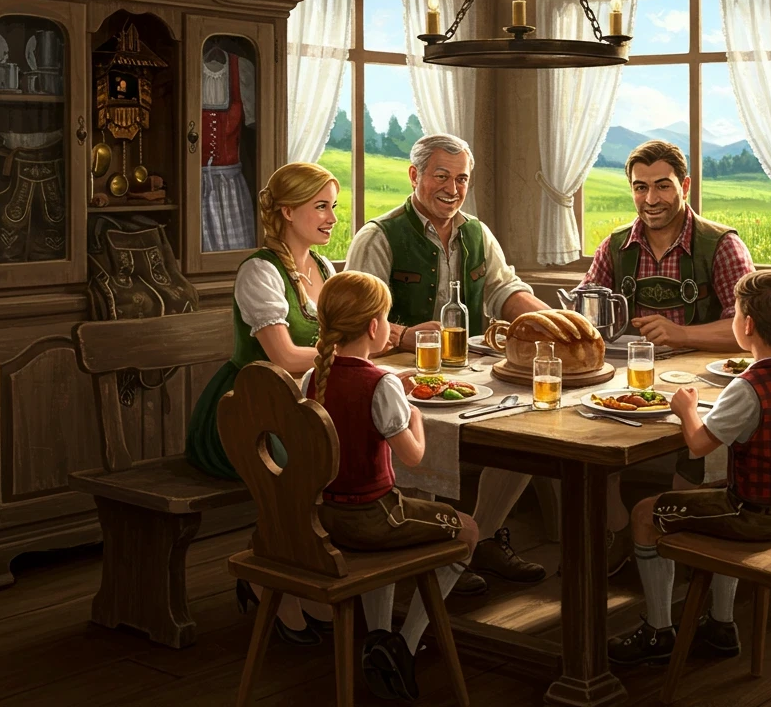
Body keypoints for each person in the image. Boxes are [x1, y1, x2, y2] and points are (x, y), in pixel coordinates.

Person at [345, 133, 550, 595]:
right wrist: (402, 334)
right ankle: (428, 559)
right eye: (441, 176)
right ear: (415, 175)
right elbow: (355, 320)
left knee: (530, 436)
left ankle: (474, 541)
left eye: (461, 179)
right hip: (397, 381)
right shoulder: (378, 236)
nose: (453, 188)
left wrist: (550, 320)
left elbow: (504, 290)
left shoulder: (477, 232)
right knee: (422, 448)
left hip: (470, 378)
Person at [607, 269, 771, 666]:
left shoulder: (747, 385)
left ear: (748, 325)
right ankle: (720, 624)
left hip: (750, 516)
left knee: (645, 514)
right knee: (717, 485)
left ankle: (658, 631)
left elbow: (699, 445)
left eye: (736, 314)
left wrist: (686, 409)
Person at [185, 161, 356, 645]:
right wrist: (349, 352)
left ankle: (299, 579)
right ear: (287, 211)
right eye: (320, 207)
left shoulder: (321, 268)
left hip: (300, 404)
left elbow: (330, 344)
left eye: (333, 207)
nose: (331, 218)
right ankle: (268, 577)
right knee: (306, 466)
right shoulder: (260, 271)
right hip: (247, 410)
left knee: (342, 451)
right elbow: (282, 355)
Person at [296, 270, 479, 702]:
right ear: (376, 327)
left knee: (404, 518)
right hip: (372, 520)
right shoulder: (381, 384)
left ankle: (380, 636)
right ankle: (404, 643)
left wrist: (394, 393)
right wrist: (413, 410)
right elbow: (413, 455)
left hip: (324, 519)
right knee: (468, 530)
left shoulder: (310, 379)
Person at [580, 140, 757, 572]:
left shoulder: (720, 245)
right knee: (588, 433)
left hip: (702, 381)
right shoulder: (616, 245)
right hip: (629, 379)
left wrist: (681, 332)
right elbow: (584, 309)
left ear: (686, 185)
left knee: (693, 447)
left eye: (662, 186)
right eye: (640, 188)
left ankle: (681, 543)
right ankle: (619, 527)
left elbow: (749, 328)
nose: (651, 199)